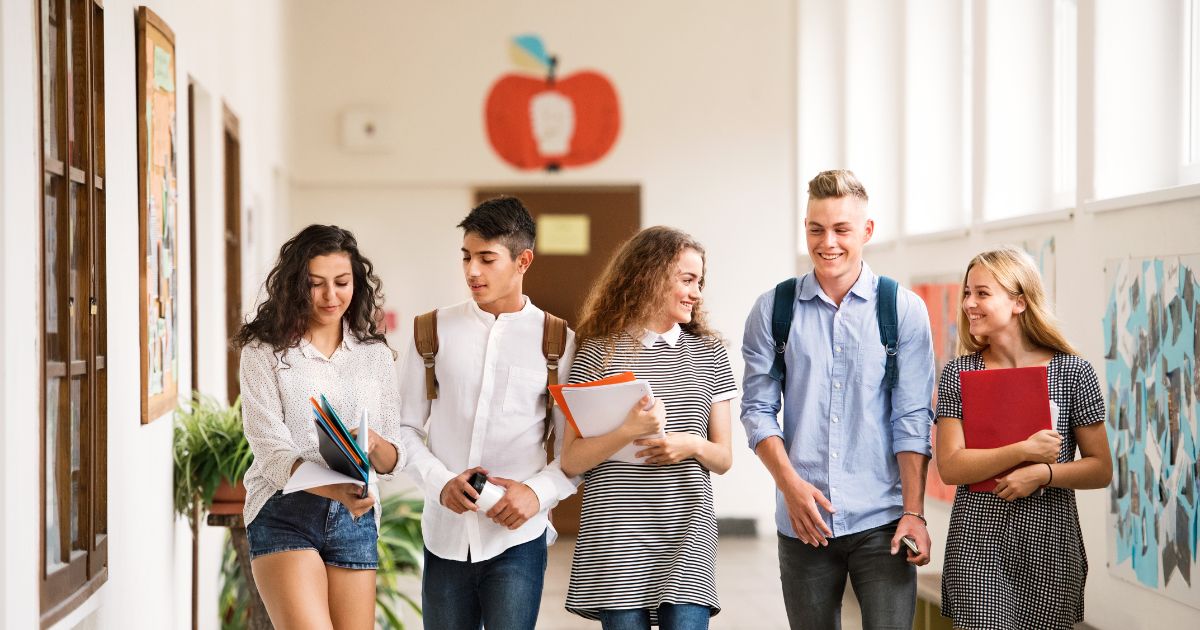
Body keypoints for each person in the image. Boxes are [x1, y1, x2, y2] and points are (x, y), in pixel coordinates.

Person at [740, 169, 936, 630]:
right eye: (816, 228)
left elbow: (912, 417)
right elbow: (757, 410)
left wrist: (914, 513)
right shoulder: (774, 310)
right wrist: (790, 486)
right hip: (804, 522)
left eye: (841, 229)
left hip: (884, 521)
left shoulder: (902, 310)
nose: (828, 242)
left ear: (867, 231)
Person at [397, 196, 578, 630]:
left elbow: (576, 451)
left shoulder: (558, 341)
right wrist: (440, 483)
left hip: (518, 537)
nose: (471, 271)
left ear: (523, 260)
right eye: (466, 256)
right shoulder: (431, 330)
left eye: (486, 258)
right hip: (445, 536)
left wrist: (537, 493)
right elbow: (402, 428)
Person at [561, 226, 738, 630]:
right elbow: (571, 460)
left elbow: (724, 458)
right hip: (616, 532)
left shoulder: (709, 353)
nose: (697, 292)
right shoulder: (598, 352)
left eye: (700, 282)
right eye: (687, 280)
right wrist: (628, 430)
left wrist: (689, 444)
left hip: (689, 528)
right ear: (650, 277)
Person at [235, 224, 406, 629]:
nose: (331, 296)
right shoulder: (265, 352)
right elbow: (271, 450)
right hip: (283, 510)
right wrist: (334, 488)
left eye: (341, 282)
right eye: (316, 284)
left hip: (355, 515)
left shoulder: (374, 356)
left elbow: (393, 459)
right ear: (295, 286)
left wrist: (374, 444)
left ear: (356, 283)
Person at [933, 247, 1112, 630]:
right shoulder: (959, 373)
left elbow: (1100, 469)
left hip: (1051, 542)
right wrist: (1025, 451)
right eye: (967, 293)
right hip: (978, 541)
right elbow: (950, 466)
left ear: (1019, 301)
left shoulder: (1072, 372)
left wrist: (1042, 474)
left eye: (982, 293)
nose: (969, 303)